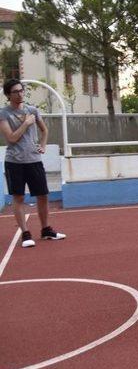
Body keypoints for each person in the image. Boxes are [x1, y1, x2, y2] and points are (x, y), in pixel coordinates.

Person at [1, 79, 66, 248]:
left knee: (43, 195)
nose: (20, 93)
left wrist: (43, 146)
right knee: (19, 196)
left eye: (21, 90)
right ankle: (25, 233)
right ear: (8, 95)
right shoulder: (4, 114)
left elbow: (44, 130)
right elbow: (12, 138)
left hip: (34, 160)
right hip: (14, 162)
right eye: (16, 91)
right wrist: (26, 123)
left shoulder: (33, 110)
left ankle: (46, 230)